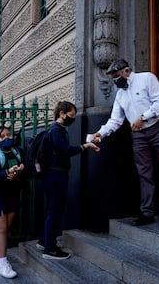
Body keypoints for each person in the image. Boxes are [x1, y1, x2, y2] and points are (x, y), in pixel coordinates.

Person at [91, 58, 159, 229]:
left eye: (116, 75)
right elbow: (115, 120)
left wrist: (143, 118)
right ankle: (147, 212)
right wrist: (101, 133)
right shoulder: (120, 94)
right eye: (112, 77)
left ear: (126, 71)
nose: (114, 80)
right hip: (139, 136)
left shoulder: (147, 78)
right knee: (144, 173)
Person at [41, 101, 100, 260]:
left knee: (53, 209)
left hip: (55, 174)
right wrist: (84, 147)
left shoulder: (56, 129)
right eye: (71, 116)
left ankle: (44, 241)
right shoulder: (56, 130)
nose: (72, 119)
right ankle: (50, 249)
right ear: (62, 113)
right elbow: (65, 150)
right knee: (55, 210)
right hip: (56, 175)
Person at [0, 125, 25, 279]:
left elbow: (25, 167)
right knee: (1, 229)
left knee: (6, 227)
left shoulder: (18, 151)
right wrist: (8, 172)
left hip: (12, 194)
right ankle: (2, 263)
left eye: (9, 134)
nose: (7, 138)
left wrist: (20, 169)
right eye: (2, 136)